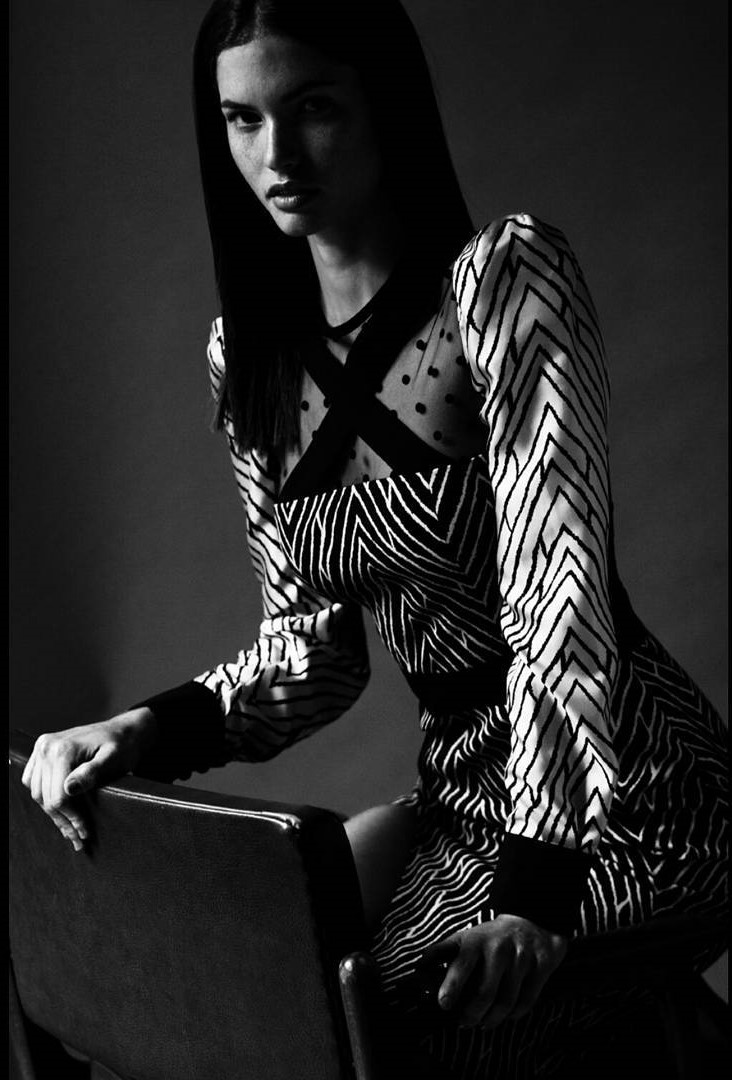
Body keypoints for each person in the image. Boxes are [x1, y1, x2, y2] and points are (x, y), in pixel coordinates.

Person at [21, 0, 728, 1076]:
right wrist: (141, 728)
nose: (276, 156)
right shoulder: (249, 359)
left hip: (633, 797)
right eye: (242, 119)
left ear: (384, 105)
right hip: (461, 790)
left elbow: (560, 603)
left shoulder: (500, 278)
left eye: (313, 109)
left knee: (385, 1031)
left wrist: (537, 894)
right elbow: (313, 653)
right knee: (263, 998)